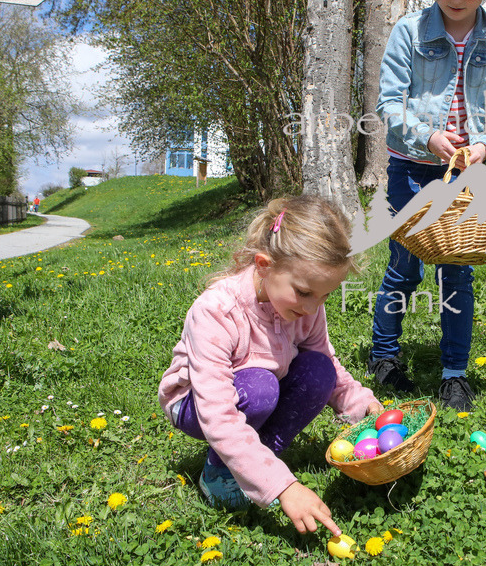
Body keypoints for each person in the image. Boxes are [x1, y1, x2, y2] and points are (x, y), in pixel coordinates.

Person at [158, 195, 381, 536]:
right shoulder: (218, 311)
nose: (312, 308)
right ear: (264, 265)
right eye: (305, 292)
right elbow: (216, 414)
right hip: (196, 403)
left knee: (319, 370)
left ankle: (261, 458)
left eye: (325, 296)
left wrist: (363, 405)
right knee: (260, 389)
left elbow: (328, 367)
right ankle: (218, 475)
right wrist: (284, 487)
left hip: (259, 388)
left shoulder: (306, 308)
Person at [368, 0, 486, 411]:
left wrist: (485, 147)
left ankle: (454, 373)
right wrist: (428, 136)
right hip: (411, 171)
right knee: (404, 268)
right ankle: (384, 355)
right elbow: (390, 105)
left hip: (462, 176)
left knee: (457, 273)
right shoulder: (409, 33)